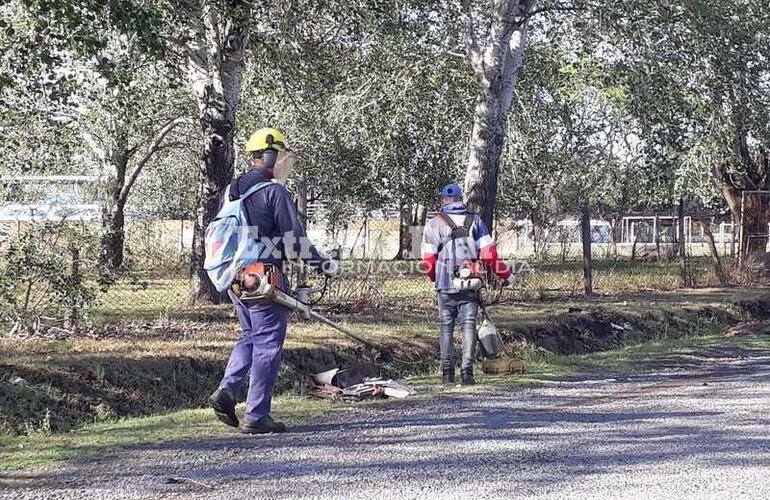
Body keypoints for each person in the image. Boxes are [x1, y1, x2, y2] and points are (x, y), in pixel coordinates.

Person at [209, 127, 339, 434]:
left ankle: (227, 389)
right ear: (270, 156)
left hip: (235, 278)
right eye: (283, 156)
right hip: (264, 278)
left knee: (249, 336)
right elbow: (295, 243)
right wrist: (325, 264)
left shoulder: (232, 191)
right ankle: (256, 416)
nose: (286, 163)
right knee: (268, 343)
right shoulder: (274, 192)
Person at [421, 183, 512, 385]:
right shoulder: (476, 221)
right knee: (468, 326)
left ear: (443, 200)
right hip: (470, 283)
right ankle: (467, 373)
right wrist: (505, 274)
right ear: (460, 199)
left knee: (446, 326)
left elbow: (428, 260)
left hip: (445, 284)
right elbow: (489, 255)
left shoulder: (433, 224)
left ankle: (447, 374)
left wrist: (435, 278)